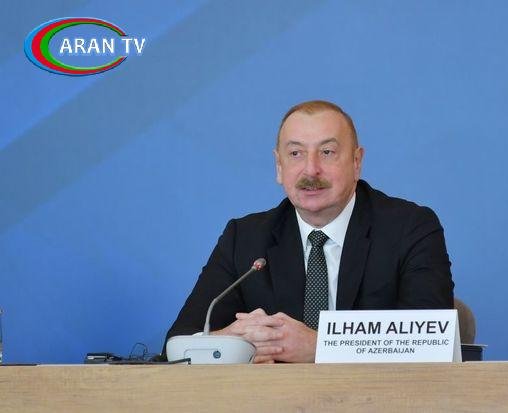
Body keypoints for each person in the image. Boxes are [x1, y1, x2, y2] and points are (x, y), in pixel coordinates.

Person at [165, 100, 454, 363]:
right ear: (279, 166)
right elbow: (178, 343)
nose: (311, 170)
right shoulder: (244, 238)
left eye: (327, 152)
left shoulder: (410, 228)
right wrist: (234, 344)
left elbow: (432, 344)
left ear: (356, 162)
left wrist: (319, 347)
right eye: (296, 154)